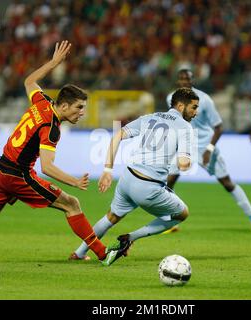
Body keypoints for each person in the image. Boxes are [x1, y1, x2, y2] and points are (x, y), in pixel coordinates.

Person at [0, 41, 130, 265]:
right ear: (63, 107)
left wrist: (54, 63)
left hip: (0, 169)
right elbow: (47, 167)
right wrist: (73, 181)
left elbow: (29, 81)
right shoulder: (51, 128)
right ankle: (104, 254)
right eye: (78, 108)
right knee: (71, 203)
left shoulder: (42, 101)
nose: (81, 113)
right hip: (18, 175)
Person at [71, 88, 198, 261]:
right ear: (181, 105)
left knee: (111, 217)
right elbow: (183, 164)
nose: (195, 112)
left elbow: (117, 135)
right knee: (182, 213)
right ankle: (131, 238)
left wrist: (108, 170)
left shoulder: (149, 117)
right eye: (193, 107)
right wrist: (187, 159)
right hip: (149, 187)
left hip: (128, 178)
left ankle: (79, 253)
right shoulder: (185, 127)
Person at [164, 69, 251, 236]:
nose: (184, 81)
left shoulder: (204, 100)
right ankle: (170, 221)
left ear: (193, 80)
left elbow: (219, 127)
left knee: (227, 183)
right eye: (181, 78)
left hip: (205, 145)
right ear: (178, 81)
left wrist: (209, 149)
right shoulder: (171, 98)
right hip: (184, 147)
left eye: (187, 78)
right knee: (168, 182)